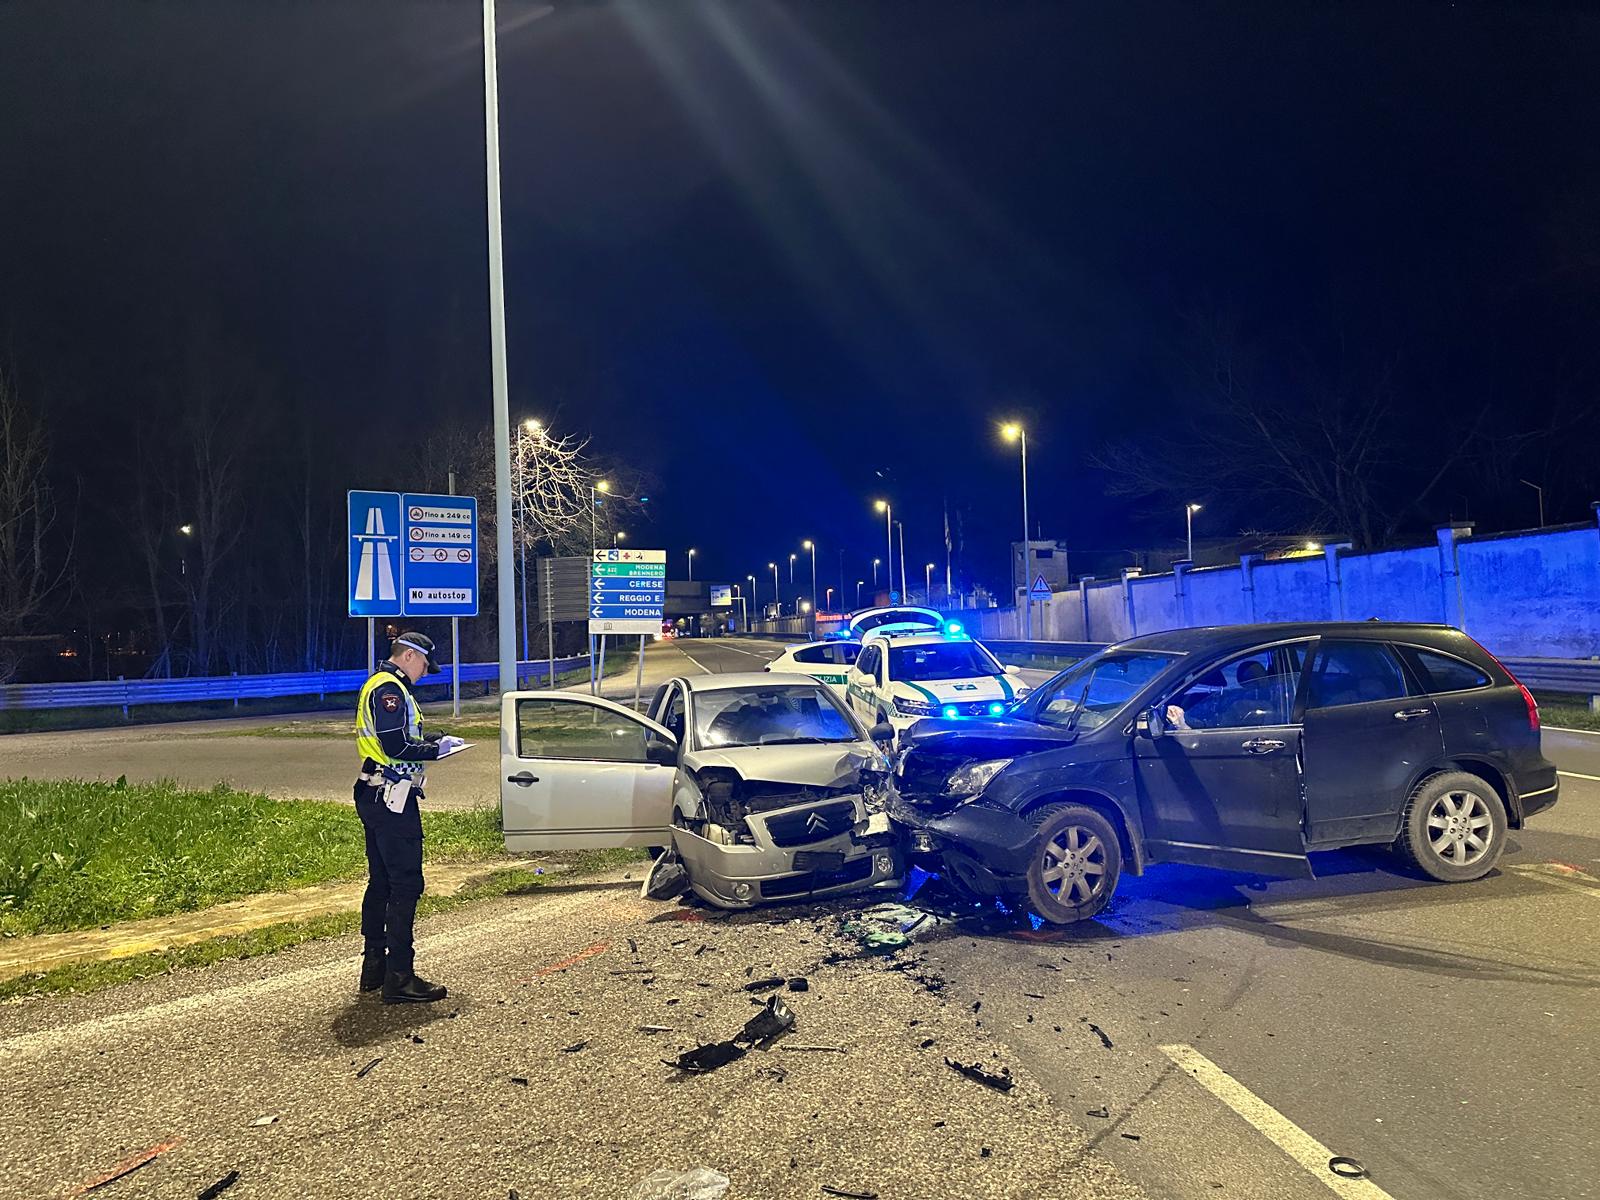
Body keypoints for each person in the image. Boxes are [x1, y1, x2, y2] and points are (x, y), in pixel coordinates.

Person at [353, 631, 464, 1004]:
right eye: (425, 665)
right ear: (410, 656)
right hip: (391, 798)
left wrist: (433, 739)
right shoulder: (391, 690)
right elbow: (395, 744)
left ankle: (374, 968)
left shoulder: (380, 684)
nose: (425, 673)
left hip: (374, 792)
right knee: (405, 885)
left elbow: (398, 736)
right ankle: (400, 976)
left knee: (381, 881)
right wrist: (435, 751)